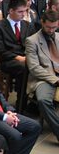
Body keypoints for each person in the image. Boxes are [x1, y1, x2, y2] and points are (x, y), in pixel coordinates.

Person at [25, 10, 59, 142]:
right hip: (44, 78)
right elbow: (34, 68)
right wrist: (55, 80)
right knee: (43, 100)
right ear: (42, 23)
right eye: (48, 27)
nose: (51, 30)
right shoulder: (32, 41)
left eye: (54, 27)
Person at [0, 0, 32, 101]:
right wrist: (18, 58)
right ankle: (21, 102)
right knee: (24, 68)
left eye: (25, 11)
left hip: (26, 58)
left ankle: (34, 100)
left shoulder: (27, 25)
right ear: (11, 11)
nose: (23, 14)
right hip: (8, 60)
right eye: (20, 12)